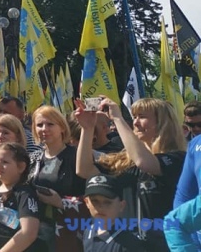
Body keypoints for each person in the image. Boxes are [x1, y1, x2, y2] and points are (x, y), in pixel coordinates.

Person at [75, 97, 187, 252]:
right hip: (126, 245)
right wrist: (87, 129)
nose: (135, 122)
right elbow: (84, 170)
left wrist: (117, 118)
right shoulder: (125, 161)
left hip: (163, 245)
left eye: (142, 116)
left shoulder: (178, 158)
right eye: (134, 117)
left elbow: (144, 162)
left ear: (162, 123)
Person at [28, 105, 86, 251]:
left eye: (50, 124)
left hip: (69, 233)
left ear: (62, 128)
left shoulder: (76, 156)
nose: (44, 129)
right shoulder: (32, 159)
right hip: (37, 233)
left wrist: (62, 203)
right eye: (39, 125)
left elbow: (94, 197)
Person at [82, 174, 140, 252]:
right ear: (87, 202)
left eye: (107, 202)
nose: (100, 207)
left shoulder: (128, 241)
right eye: (95, 201)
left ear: (121, 206)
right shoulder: (88, 232)